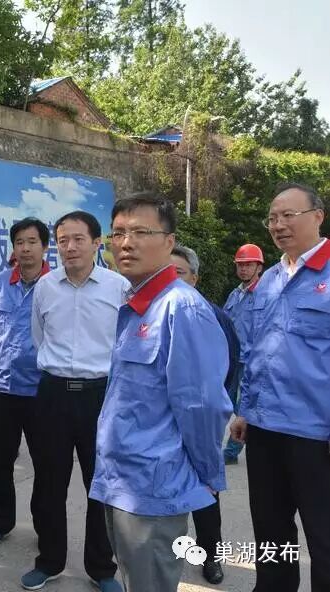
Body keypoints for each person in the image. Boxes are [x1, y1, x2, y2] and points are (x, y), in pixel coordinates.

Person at [90, 192, 232, 592]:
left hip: (155, 486)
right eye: (118, 233)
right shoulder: (138, 305)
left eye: (140, 232)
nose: (126, 243)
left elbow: (202, 406)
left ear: (169, 242)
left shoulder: (181, 308)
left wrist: (207, 473)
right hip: (123, 480)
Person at [231, 182, 330, 592]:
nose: (278, 225)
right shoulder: (270, 279)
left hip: (317, 434)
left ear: (318, 216)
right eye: (272, 218)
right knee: (272, 535)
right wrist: (245, 409)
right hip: (265, 428)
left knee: (324, 538)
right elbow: (257, 350)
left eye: (289, 215)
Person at [25, 211, 127, 592]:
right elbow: (39, 337)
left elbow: (125, 341)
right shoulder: (45, 286)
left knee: (99, 483)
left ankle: (101, 568)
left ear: (97, 243)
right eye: (62, 240)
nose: (69, 247)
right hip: (53, 393)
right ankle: (49, 561)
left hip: (101, 395)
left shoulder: (118, 287)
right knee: (49, 482)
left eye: (78, 239)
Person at [171, 244, 241, 586]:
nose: (172, 280)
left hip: (203, 419)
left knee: (205, 487)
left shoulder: (213, 315)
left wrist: (215, 409)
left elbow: (232, 365)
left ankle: (211, 554)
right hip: (163, 421)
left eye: (179, 273)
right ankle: (167, 552)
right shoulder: (148, 312)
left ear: (195, 278)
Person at [0, 218, 49, 552]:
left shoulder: (56, 287)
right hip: (3, 389)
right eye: (19, 242)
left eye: (32, 241)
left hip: (43, 392)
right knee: (1, 462)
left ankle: (45, 526)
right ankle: (1, 522)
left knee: (46, 465)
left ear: (45, 247)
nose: (25, 248)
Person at [221, 243, 263, 464]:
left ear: (259, 267)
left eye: (249, 265)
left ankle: (231, 453)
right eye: (240, 265)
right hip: (230, 359)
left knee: (243, 407)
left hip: (250, 361)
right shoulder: (235, 294)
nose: (244, 269)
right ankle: (213, 446)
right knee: (222, 402)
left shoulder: (264, 294)